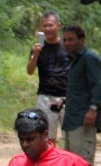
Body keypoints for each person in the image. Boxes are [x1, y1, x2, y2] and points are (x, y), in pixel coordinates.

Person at [60, 24, 101, 166]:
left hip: (83, 118)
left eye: (70, 40)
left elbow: (98, 85)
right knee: (71, 162)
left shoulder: (89, 58)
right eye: (64, 40)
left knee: (81, 164)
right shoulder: (74, 60)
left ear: (81, 40)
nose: (66, 43)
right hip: (71, 118)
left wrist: (93, 109)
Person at [26, 10, 70, 143]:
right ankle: (49, 163)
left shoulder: (68, 45)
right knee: (46, 138)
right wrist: (35, 55)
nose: (47, 29)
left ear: (58, 26)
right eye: (44, 26)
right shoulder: (38, 48)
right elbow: (30, 70)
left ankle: (69, 163)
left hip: (67, 96)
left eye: (50, 25)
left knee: (70, 136)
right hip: (45, 96)